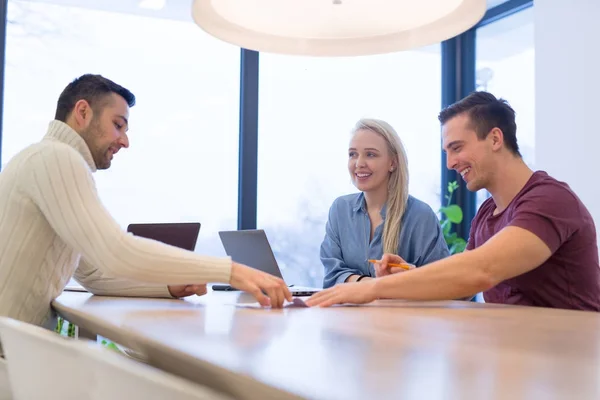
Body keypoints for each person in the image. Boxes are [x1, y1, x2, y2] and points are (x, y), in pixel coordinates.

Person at [0, 74, 292, 331]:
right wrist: (231, 271)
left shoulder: (44, 158)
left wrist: (167, 285)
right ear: (82, 112)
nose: (125, 141)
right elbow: (115, 251)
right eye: (118, 125)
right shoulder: (57, 159)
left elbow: (93, 273)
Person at [307, 92, 600, 311]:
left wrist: (373, 288)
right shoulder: (487, 215)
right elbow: (459, 290)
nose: (450, 163)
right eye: (446, 151)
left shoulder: (550, 200)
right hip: (518, 359)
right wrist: (411, 273)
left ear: (496, 139)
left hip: (569, 363)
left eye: (457, 148)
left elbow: (480, 271)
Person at [321, 118, 449, 289]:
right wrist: (374, 286)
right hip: (347, 314)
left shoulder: (420, 216)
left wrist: (410, 278)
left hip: (403, 315)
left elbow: (443, 284)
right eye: (353, 154)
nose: (359, 163)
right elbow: (332, 275)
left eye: (370, 154)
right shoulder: (340, 210)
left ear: (393, 162)